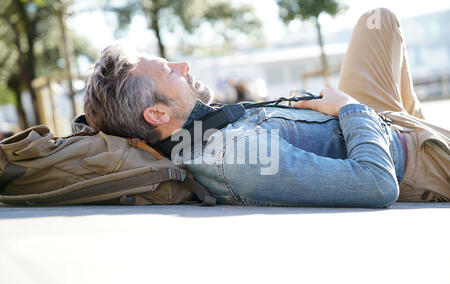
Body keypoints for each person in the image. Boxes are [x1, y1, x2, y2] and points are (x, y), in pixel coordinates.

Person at [80, 8, 449, 207]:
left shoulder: (201, 128)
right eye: (169, 71)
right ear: (158, 115)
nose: (183, 66)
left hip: (374, 120)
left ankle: (415, 121)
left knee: (378, 21)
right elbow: (376, 185)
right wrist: (351, 108)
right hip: (410, 158)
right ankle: (429, 132)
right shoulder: (237, 157)